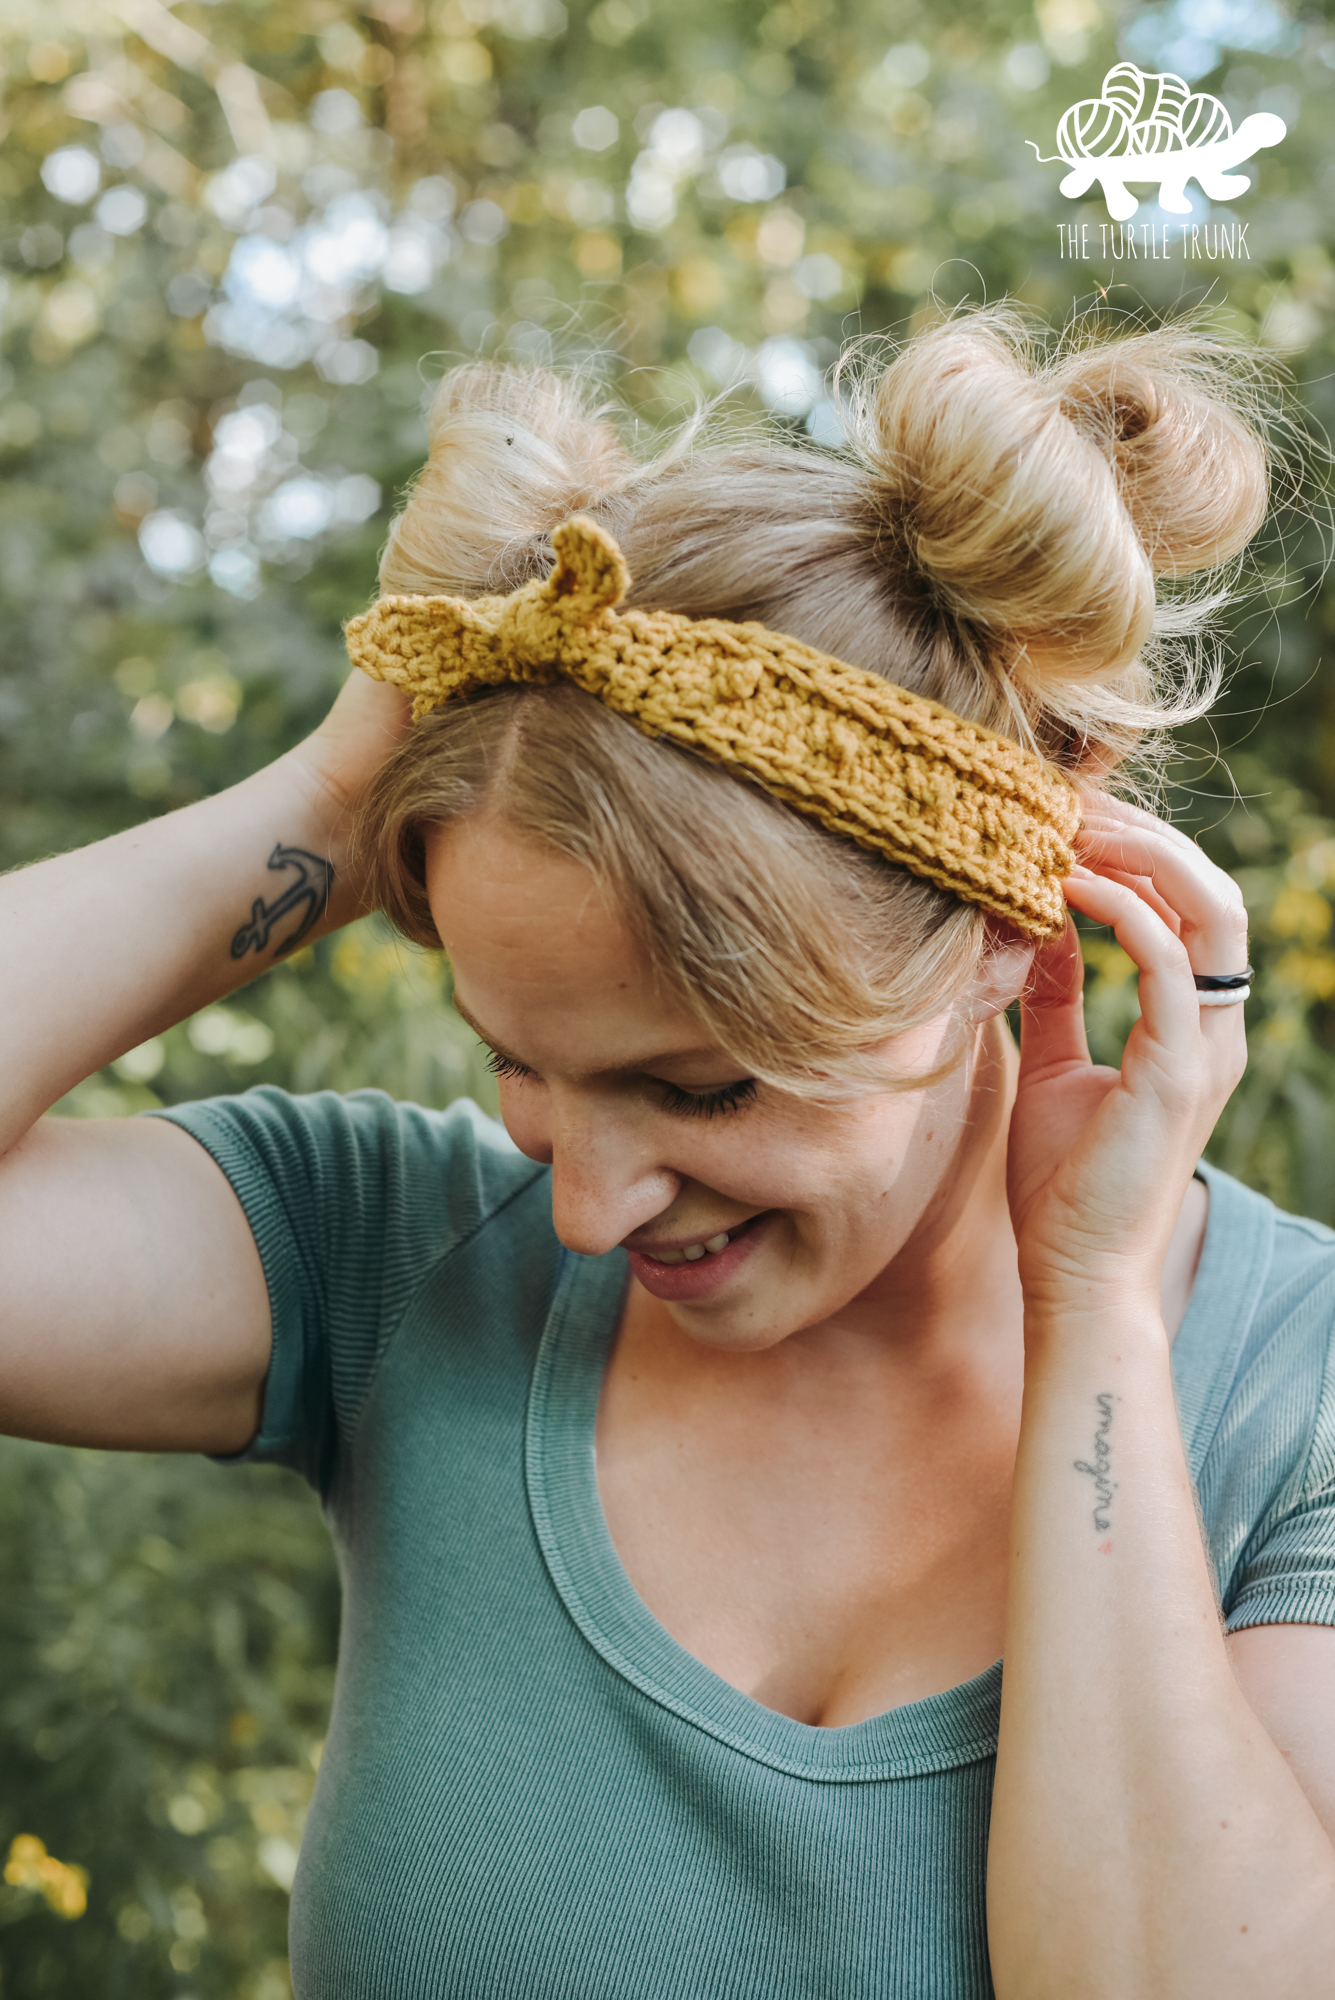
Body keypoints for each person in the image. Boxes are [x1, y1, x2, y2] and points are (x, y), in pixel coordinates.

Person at [4, 307, 1335, 1999]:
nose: (580, 1208)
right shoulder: (390, 1253)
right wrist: (355, 786)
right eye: (522, 1068)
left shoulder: (1300, 1387)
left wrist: (1096, 1316)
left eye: (703, 1093)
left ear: (1013, 934)